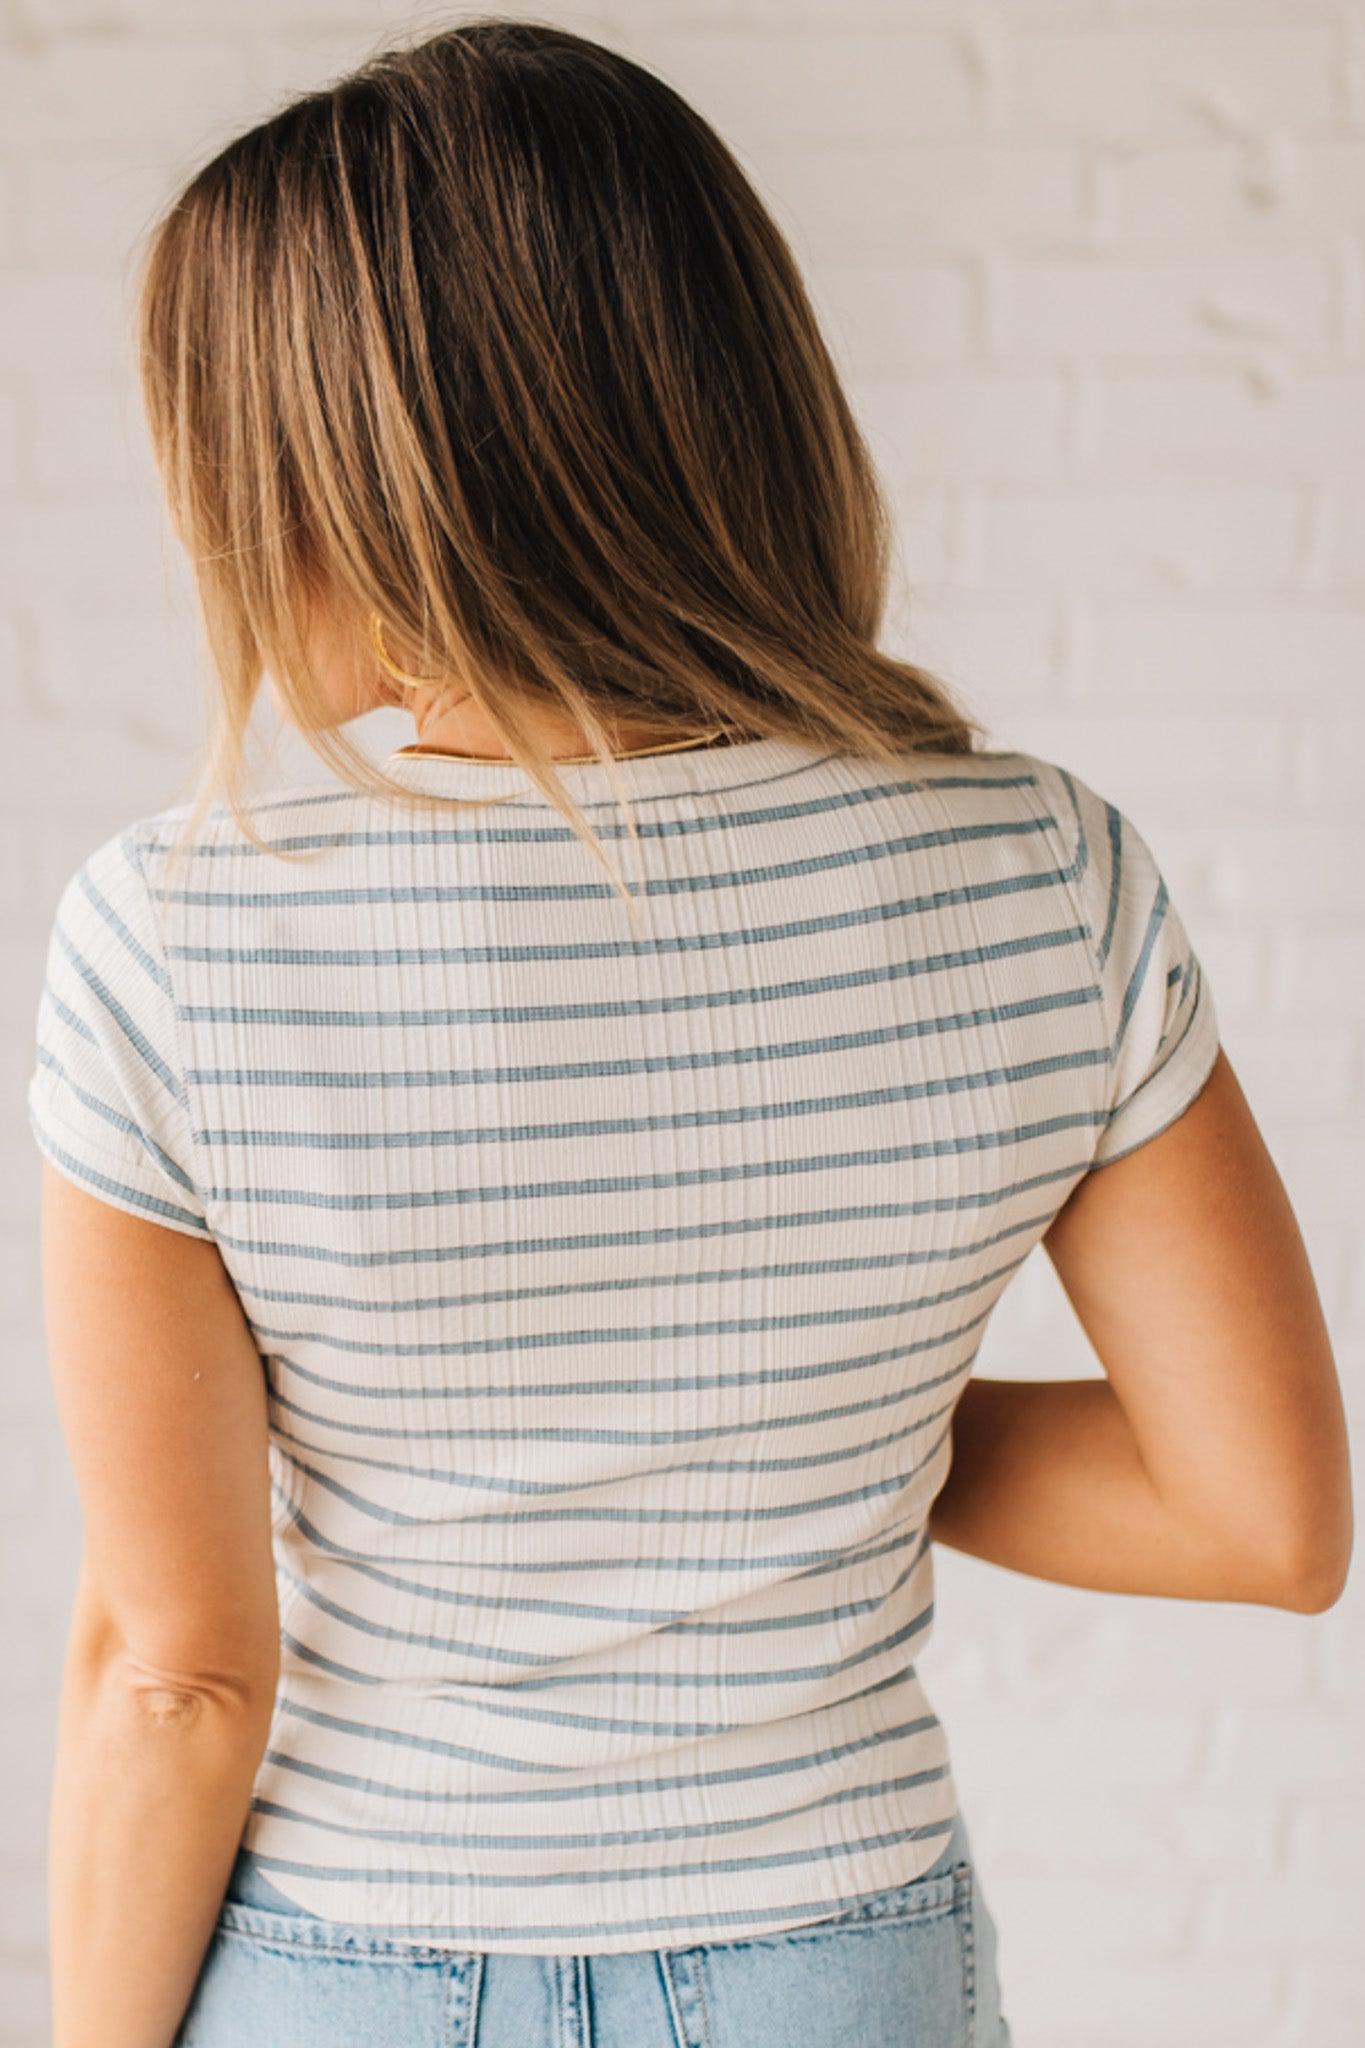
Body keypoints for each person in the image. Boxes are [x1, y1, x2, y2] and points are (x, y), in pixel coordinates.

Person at [26, 18, 1352, 2048]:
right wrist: (805, 1424)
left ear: (350, 486)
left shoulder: (177, 940)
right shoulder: (1035, 871)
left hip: (353, 1968)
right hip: (837, 1962)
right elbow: (1258, 1517)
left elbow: (178, 1671)